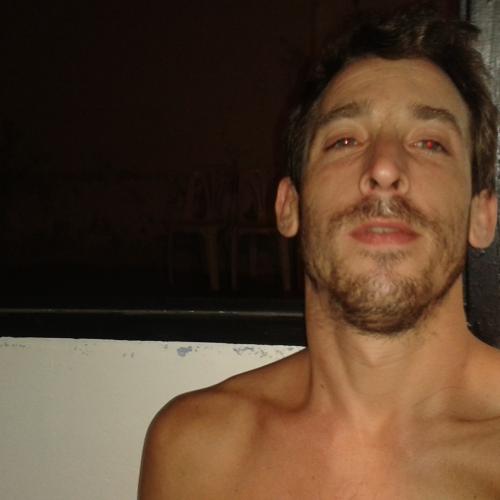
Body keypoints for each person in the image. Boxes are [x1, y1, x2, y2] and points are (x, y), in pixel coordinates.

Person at [139, 6, 500, 498]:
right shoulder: (196, 451)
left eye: (430, 143)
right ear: (289, 206)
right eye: (345, 140)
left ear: (482, 215)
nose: (384, 168)